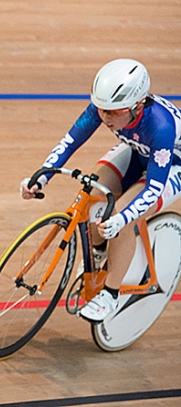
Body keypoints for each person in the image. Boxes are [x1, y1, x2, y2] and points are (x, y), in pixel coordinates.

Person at [21, 58, 181, 322]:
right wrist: (42, 177)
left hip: (171, 166)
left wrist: (120, 219)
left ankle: (111, 293)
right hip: (138, 151)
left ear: (137, 106)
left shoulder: (160, 127)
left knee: (122, 215)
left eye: (114, 112)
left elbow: (154, 187)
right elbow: (70, 141)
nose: (105, 117)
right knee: (91, 188)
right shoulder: (107, 108)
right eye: (102, 109)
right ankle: (99, 252)